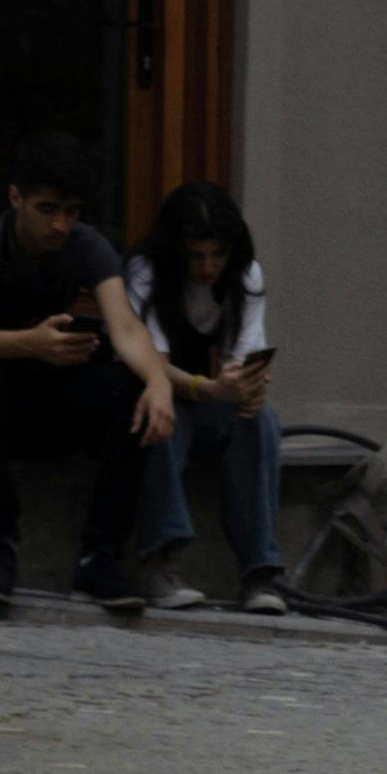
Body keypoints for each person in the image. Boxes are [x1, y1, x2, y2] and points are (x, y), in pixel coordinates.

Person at [0, 129, 172, 615]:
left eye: (72, 213)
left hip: (27, 409)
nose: (60, 225)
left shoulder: (86, 246)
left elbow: (125, 327)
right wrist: (27, 344)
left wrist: (159, 384)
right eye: (47, 209)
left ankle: (101, 556)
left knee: (130, 387)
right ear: (16, 198)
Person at [124, 179, 287, 618]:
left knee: (260, 420)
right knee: (160, 411)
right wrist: (208, 388)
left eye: (217, 255)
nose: (207, 267)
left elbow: (247, 357)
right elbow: (151, 366)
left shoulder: (247, 276)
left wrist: (248, 387)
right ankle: (160, 559)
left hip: (209, 396)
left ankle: (259, 573)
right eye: (196, 256)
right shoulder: (146, 272)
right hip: (159, 386)